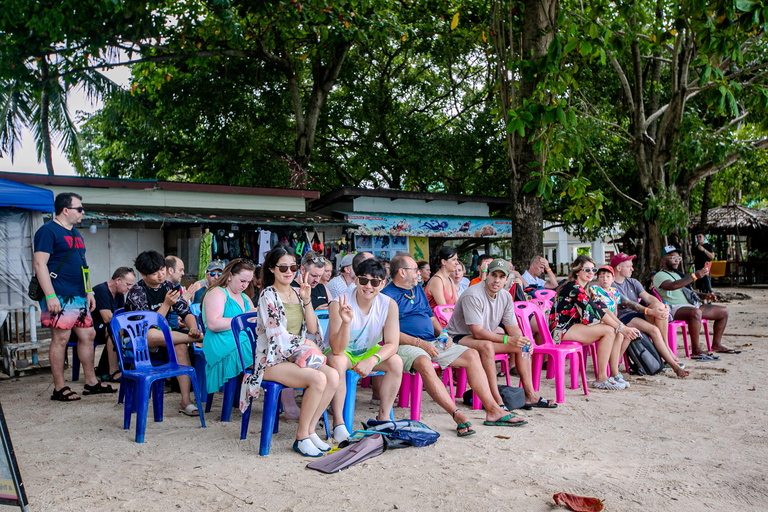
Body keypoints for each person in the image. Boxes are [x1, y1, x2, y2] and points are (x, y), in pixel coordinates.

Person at [382, 253, 526, 434]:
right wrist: (420, 343)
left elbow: (430, 316)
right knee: (425, 362)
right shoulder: (385, 296)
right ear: (402, 272)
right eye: (415, 270)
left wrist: (442, 334)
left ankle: (493, 410)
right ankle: (456, 413)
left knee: (471, 355)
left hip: (432, 341)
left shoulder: (417, 289)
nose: (419, 273)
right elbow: (389, 333)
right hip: (405, 345)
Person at [239, 246, 339, 457]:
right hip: (271, 361)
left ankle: (310, 431)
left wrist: (306, 299)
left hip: (294, 356)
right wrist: (307, 344)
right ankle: (301, 437)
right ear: (272, 269)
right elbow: (277, 336)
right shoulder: (268, 294)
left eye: (292, 266)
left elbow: (312, 329)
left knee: (332, 375)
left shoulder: (297, 291)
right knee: (318, 379)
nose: (288, 271)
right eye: (282, 267)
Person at [33, 192, 116, 401]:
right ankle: (59, 388)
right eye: (79, 208)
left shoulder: (76, 234)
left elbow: (83, 266)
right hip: (59, 294)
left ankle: (91, 382)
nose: (83, 212)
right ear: (65, 210)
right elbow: (39, 264)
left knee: (87, 335)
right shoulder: (47, 231)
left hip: (79, 295)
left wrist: (89, 291)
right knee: (60, 338)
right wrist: (50, 295)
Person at [446, 259, 556, 410]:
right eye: (493, 275)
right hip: (458, 338)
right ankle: (495, 398)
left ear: (506, 279)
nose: (496, 280)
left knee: (521, 347)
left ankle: (530, 395)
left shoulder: (505, 296)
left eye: (501, 276)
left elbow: (513, 328)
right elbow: (477, 332)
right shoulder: (473, 294)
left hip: (483, 337)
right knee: (487, 346)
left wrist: (523, 341)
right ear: (487, 275)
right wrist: (508, 339)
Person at [325, 259, 404, 442]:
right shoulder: (339, 302)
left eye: (375, 282)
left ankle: (383, 418)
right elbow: (337, 348)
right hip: (343, 351)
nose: (368, 286)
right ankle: (339, 422)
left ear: (383, 284)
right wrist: (346, 322)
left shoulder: (388, 304)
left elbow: (393, 343)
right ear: (355, 280)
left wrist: (373, 360)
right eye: (363, 280)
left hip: (368, 351)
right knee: (337, 361)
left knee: (396, 362)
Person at [125, 250, 203, 415]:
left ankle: (185, 401)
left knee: (181, 346)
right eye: (154, 273)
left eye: (161, 270)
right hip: (137, 341)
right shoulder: (137, 292)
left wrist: (194, 327)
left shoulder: (169, 286)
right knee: (153, 335)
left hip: (164, 338)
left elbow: (186, 312)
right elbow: (148, 327)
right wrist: (167, 304)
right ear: (143, 274)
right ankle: (192, 338)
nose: (160, 275)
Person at [550, 255, 639, 390]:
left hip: (573, 327)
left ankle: (614, 374)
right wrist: (623, 328)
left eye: (593, 269)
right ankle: (601, 378)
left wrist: (623, 327)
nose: (591, 273)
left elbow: (603, 308)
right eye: (587, 270)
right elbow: (597, 312)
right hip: (560, 330)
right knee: (609, 330)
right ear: (577, 271)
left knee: (614, 330)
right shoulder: (573, 287)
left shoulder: (586, 289)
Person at [611, 253, 689, 378]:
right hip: (624, 318)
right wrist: (650, 311)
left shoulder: (633, 282)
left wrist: (660, 307)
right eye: (629, 266)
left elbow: (647, 297)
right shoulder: (611, 285)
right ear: (619, 268)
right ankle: (675, 367)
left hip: (638, 314)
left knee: (660, 307)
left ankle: (666, 348)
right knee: (654, 330)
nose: (632, 269)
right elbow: (628, 303)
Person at [653, 246, 733, 359]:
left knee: (723, 312)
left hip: (690, 306)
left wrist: (703, 295)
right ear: (663, 260)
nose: (676, 260)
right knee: (696, 312)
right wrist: (694, 276)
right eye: (673, 257)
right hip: (674, 308)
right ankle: (696, 349)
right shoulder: (659, 275)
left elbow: (687, 291)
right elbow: (671, 286)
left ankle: (716, 344)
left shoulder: (677, 274)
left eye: (678, 258)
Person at [201, 258, 256, 395]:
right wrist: (243, 318)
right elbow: (213, 324)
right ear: (230, 276)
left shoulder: (245, 297)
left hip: (239, 340)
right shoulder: (218, 292)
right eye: (242, 281)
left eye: (248, 282)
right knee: (265, 351)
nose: (245, 285)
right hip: (221, 342)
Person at [92, 267, 136, 382]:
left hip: (106, 328)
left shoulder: (120, 293)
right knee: (115, 329)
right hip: (90, 328)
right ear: (118, 280)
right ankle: (113, 371)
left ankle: (110, 369)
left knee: (126, 329)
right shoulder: (101, 290)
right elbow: (107, 318)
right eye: (127, 284)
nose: (129, 288)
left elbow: (122, 316)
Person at [425, 246, 459, 311]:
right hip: (438, 320)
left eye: (457, 259)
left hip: (449, 319)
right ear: (444, 262)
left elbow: (458, 304)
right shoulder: (437, 280)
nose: (457, 263)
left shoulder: (450, 279)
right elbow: (444, 309)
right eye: (453, 259)